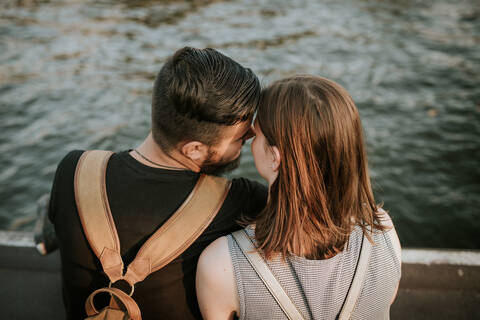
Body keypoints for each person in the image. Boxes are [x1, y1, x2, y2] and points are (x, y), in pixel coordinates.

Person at [48, 47, 267, 320]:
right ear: (194, 149)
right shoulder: (239, 201)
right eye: (241, 139)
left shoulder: (75, 170)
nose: (250, 138)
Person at [196, 75, 402, 320]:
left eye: (257, 132)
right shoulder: (383, 233)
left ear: (275, 157)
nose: (249, 136)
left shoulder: (222, 265)